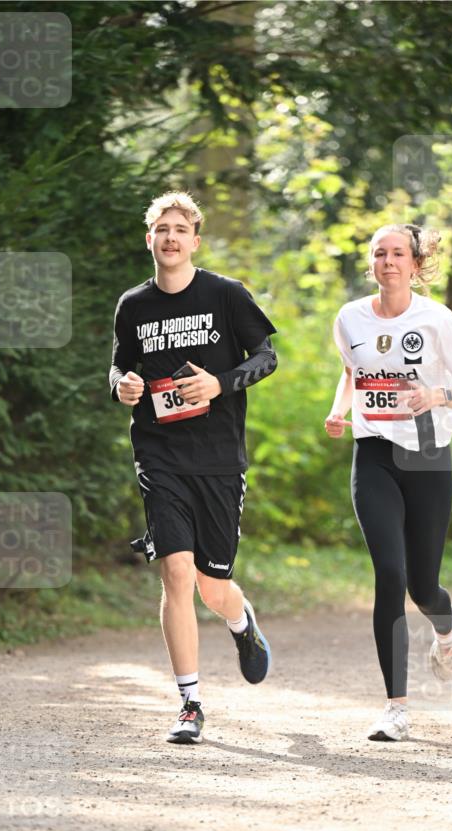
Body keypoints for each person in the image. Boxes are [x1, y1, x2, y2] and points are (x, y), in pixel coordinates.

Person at [110, 191, 277, 745]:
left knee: (212, 586)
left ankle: (241, 621)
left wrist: (219, 384)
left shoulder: (225, 294)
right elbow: (119, 367)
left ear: (195, 241)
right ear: (150, 239)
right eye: (162, 229)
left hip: (219, 458)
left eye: (181, 229)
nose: (171, 237)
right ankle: (190, 703)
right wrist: (122, 385)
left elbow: (266, 357)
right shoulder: (133, 305)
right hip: (159, 455)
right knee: (177, 572)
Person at [325, 223, 452, 741]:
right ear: (370, 263)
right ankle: (396, 707)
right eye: (380, 254)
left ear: (415, 265)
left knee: (423, 587)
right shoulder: (349, 318)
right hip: (373, 455)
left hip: (428, 458)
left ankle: (446, 627)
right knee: (390, 575)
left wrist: (437, 396)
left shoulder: (437, 319)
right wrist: (338, 411)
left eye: (398, 253)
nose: (388, 262)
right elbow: (352, 373)